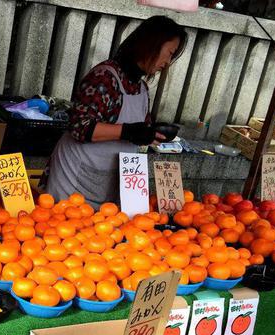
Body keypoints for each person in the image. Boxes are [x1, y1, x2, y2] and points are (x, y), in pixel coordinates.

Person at [45, 15, 188, 209]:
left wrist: (149, 134)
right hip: (73, 178)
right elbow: (79, 126)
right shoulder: (104, 77)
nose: (168, 62)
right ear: (152, 44)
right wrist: (128, 131)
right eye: (170, 52)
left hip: (106, 182)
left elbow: (137, 129)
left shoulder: (142, 89)